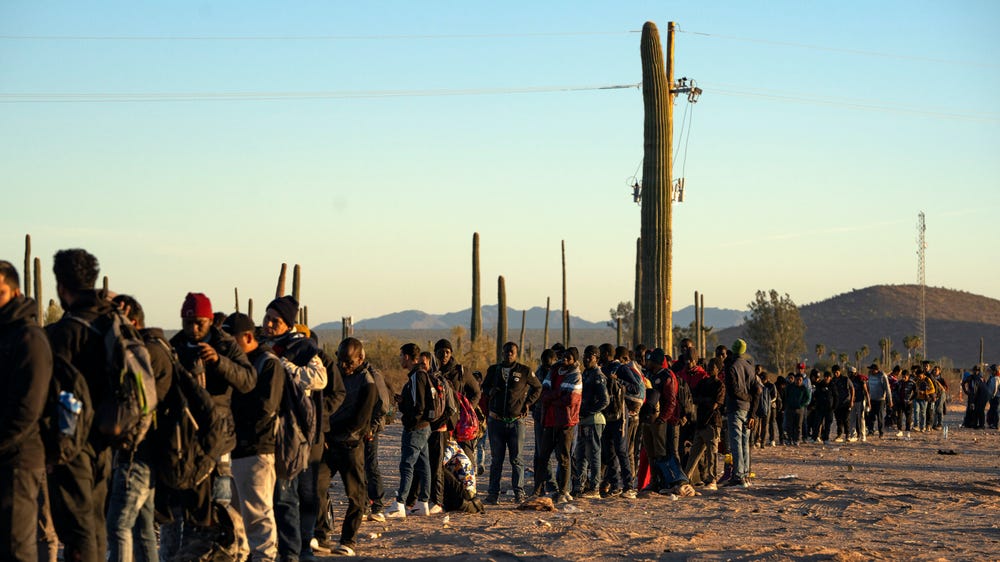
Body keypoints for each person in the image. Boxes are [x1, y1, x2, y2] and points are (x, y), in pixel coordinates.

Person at [163, 292, 255, 558]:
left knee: (221, 506)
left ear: (210, 320)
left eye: (199, 323)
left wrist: (218, 362)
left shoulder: (225, 345)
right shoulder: (175, 346)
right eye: (188, 323)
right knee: (180, 511)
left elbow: (248, 380)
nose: (193, 329)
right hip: (184, 442)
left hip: (219, 441)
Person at [45, 249, 117, 562]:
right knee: (96, 524)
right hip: (108, 438)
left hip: (70, 442)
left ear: (61, 286)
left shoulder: (60, 335)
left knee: (78, 531)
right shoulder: (112, 327)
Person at [104, 295, 173, 562]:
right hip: (149, 452)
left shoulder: (142, 353)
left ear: (131, 321)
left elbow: (139, 404)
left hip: (137, 453)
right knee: (143, 530)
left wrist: (125, 440)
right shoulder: (160, 348)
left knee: (118, 525)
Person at [261, 296, 327, 562]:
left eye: (274, 320)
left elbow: (320, 380)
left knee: (298, 493)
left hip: (296, 432)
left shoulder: (303, 348)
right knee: (275, 495)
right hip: (266, 430)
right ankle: (284, 548)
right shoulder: (261, 346)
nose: (268, 324)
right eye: (266, 318)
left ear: (287, 323)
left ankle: (299, 549)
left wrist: (285, 367)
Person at [0, 261, 52, 562]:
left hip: (19, 460)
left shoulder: (29, 338)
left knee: (16, 548)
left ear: (16, 292)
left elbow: (26, 410)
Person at [221, 312, 283, 562]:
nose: (225, 347)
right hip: (235, 449)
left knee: (258, 515)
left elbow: (266, 407)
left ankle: (265, 558)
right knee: (235, 516)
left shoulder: (267, 363)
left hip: (258, 448)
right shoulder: (238, 364)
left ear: (247, 337)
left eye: (229, 340)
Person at [321, 337, 377, 557]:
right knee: (316, 487)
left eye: (349, 362)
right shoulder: (333, 374)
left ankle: (348, 540)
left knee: (355, 496)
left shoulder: (368, 382)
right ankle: (321, 534)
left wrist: (331, 430)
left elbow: (360, 421)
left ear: (361, 358)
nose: (344, 365)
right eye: (340, 360)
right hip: (328, 444)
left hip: (351, 445)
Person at [482, 341, 541, 504]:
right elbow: (483, 387)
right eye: (506, 350)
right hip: (496, 421)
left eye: (512, 351)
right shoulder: (494, 370)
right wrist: (489, 392)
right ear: (502, 352)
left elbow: (538, 388)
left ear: (517, 353)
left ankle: (518, 493)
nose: (509, 353)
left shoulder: (524, 371)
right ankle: (493, 494)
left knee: (517, 459)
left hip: (516, 422)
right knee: (496, 460)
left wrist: (528, 403)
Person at [386, 343, 434, 518]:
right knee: (423, 464)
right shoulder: (422, 375)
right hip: (424, 427)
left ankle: (400, 503)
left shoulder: (416, 377)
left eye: (401, 356)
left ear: (407, 357)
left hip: (416, 428)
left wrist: (410, 420)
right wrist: (403, 400)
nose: (399, 359)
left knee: (407, 464)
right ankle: (423, 503)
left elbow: (418, 406)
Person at [535, 346, 582, 503]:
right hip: (549, 420)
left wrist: (552, 398)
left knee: (563, 457)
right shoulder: (554, 371)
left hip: (566, 422)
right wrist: (558, 395)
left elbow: (571, 400)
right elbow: (543, 393)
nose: (565, 359)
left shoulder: (575, 375)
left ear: (575, 360)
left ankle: (563, 491)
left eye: (569, 357)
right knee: (543, 456)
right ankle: (538, 489)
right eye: (564, 356)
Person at [434, 339, 481, 467]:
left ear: (451, 353)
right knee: (442, 457)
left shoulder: (461, 371)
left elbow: (476, 392)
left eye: (447, 352)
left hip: (460, 422)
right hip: (441, 420)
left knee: (465, 457)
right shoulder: (433, 373)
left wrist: (467, 409)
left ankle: (469, 485)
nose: (444, 355)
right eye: (441, 352)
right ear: (435, 353)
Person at [571, 346, 609, 498]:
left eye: (590, 356)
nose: (586, 359)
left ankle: (594, 487)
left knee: (594, 454)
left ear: (597, 359)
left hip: (593, 420)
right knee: (580, 454)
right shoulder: (585, 374)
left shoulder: (597, 375)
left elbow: (605, 400)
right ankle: (579, 486)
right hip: (582, 421)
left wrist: (589, 411)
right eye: (585, 356)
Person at [684, 357, 725, 490]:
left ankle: (712, 479)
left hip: (712, 423)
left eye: (712, 366)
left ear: (718, 370)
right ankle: (686, 477)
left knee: (712, 454)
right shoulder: (703, 383)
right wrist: (704, 401)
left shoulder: (720, 385)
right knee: (694, 453)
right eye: (709, 365)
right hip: (701, 423)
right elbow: (694, 398)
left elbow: (715, 404)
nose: (709, 368)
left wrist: (703, 401)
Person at [723, 339, 758, 488]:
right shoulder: (749, 367)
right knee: (744, 442)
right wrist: (753, 412)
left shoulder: (732, 367)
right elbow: (757, 389)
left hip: (735, 407)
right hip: (748, 409)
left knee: (736, 441)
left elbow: (732, 391)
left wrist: (746, 398)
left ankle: (738, 476)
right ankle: (745, 475)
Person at [865, 364, 893, 438]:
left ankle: (881, 432)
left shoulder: (882, 375)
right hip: (872, 399)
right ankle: (871, 431)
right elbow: (868, 386)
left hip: (880, 399)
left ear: (875, 369)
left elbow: (887, 388)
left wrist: (890, 400)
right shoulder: (869, 375)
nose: (870, 370)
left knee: (880, 416)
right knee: (871, 416)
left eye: (871, 369)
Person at [831, 365, 854, 442]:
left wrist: (851, 400)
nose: (835, 374)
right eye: (834, 373)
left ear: (839, 371)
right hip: (837, 403)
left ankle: (847, 435)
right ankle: (839, 434)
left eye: (836, 372)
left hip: (846, 402)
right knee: (838, 420)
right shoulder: (833, 380)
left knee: (846, 419)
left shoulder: (845, 379)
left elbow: (852, 389)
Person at [846, 367, 869, 442]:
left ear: (854, 373)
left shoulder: (860, 379)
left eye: (850, 372)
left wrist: (868, 402)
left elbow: (866, 391)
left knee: (861, 418)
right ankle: (853, 435)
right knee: (852, 418)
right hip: (852, 401)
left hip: (860, 401)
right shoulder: (849, 380)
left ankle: (863, 435)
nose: (848, 374)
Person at [913, 367, 936, 432]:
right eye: (917, 376)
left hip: (924, 399)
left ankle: (922, 427)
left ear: (922, 374)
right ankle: (916, 426)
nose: (918, 377)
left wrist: (925, 392)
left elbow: (933, 389)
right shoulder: (916, 379)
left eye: (919, 376)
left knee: (923, 413)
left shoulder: (927, 379)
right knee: (916, 411)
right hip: (916, 398)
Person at [894, 369, 916, 437]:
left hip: (908, 403)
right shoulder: (899, 382)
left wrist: (911, 399)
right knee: (899, 417)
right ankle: (900, 430)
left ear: (908, 376)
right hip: (900, 402)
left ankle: (907, 431)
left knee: (908, 417)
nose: (903, 378)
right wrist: (897, 398)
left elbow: (916, 393)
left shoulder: (912, 383)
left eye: (905, 377)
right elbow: (895, 391)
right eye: (902, 376)